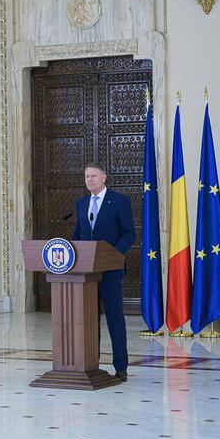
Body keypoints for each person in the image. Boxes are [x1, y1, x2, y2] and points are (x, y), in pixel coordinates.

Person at [72, 164, 135, 382]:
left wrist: (114, 255)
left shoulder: (119, 201)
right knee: (88, 320)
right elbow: (78, 234)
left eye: (93, 176)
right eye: (86, 176)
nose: (89, 180)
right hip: (86, 274)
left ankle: (121, 366)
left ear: (104, 178)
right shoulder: (81, 203)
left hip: (110, 271)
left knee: (114, 319)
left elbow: (129, 233)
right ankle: (91, 364)